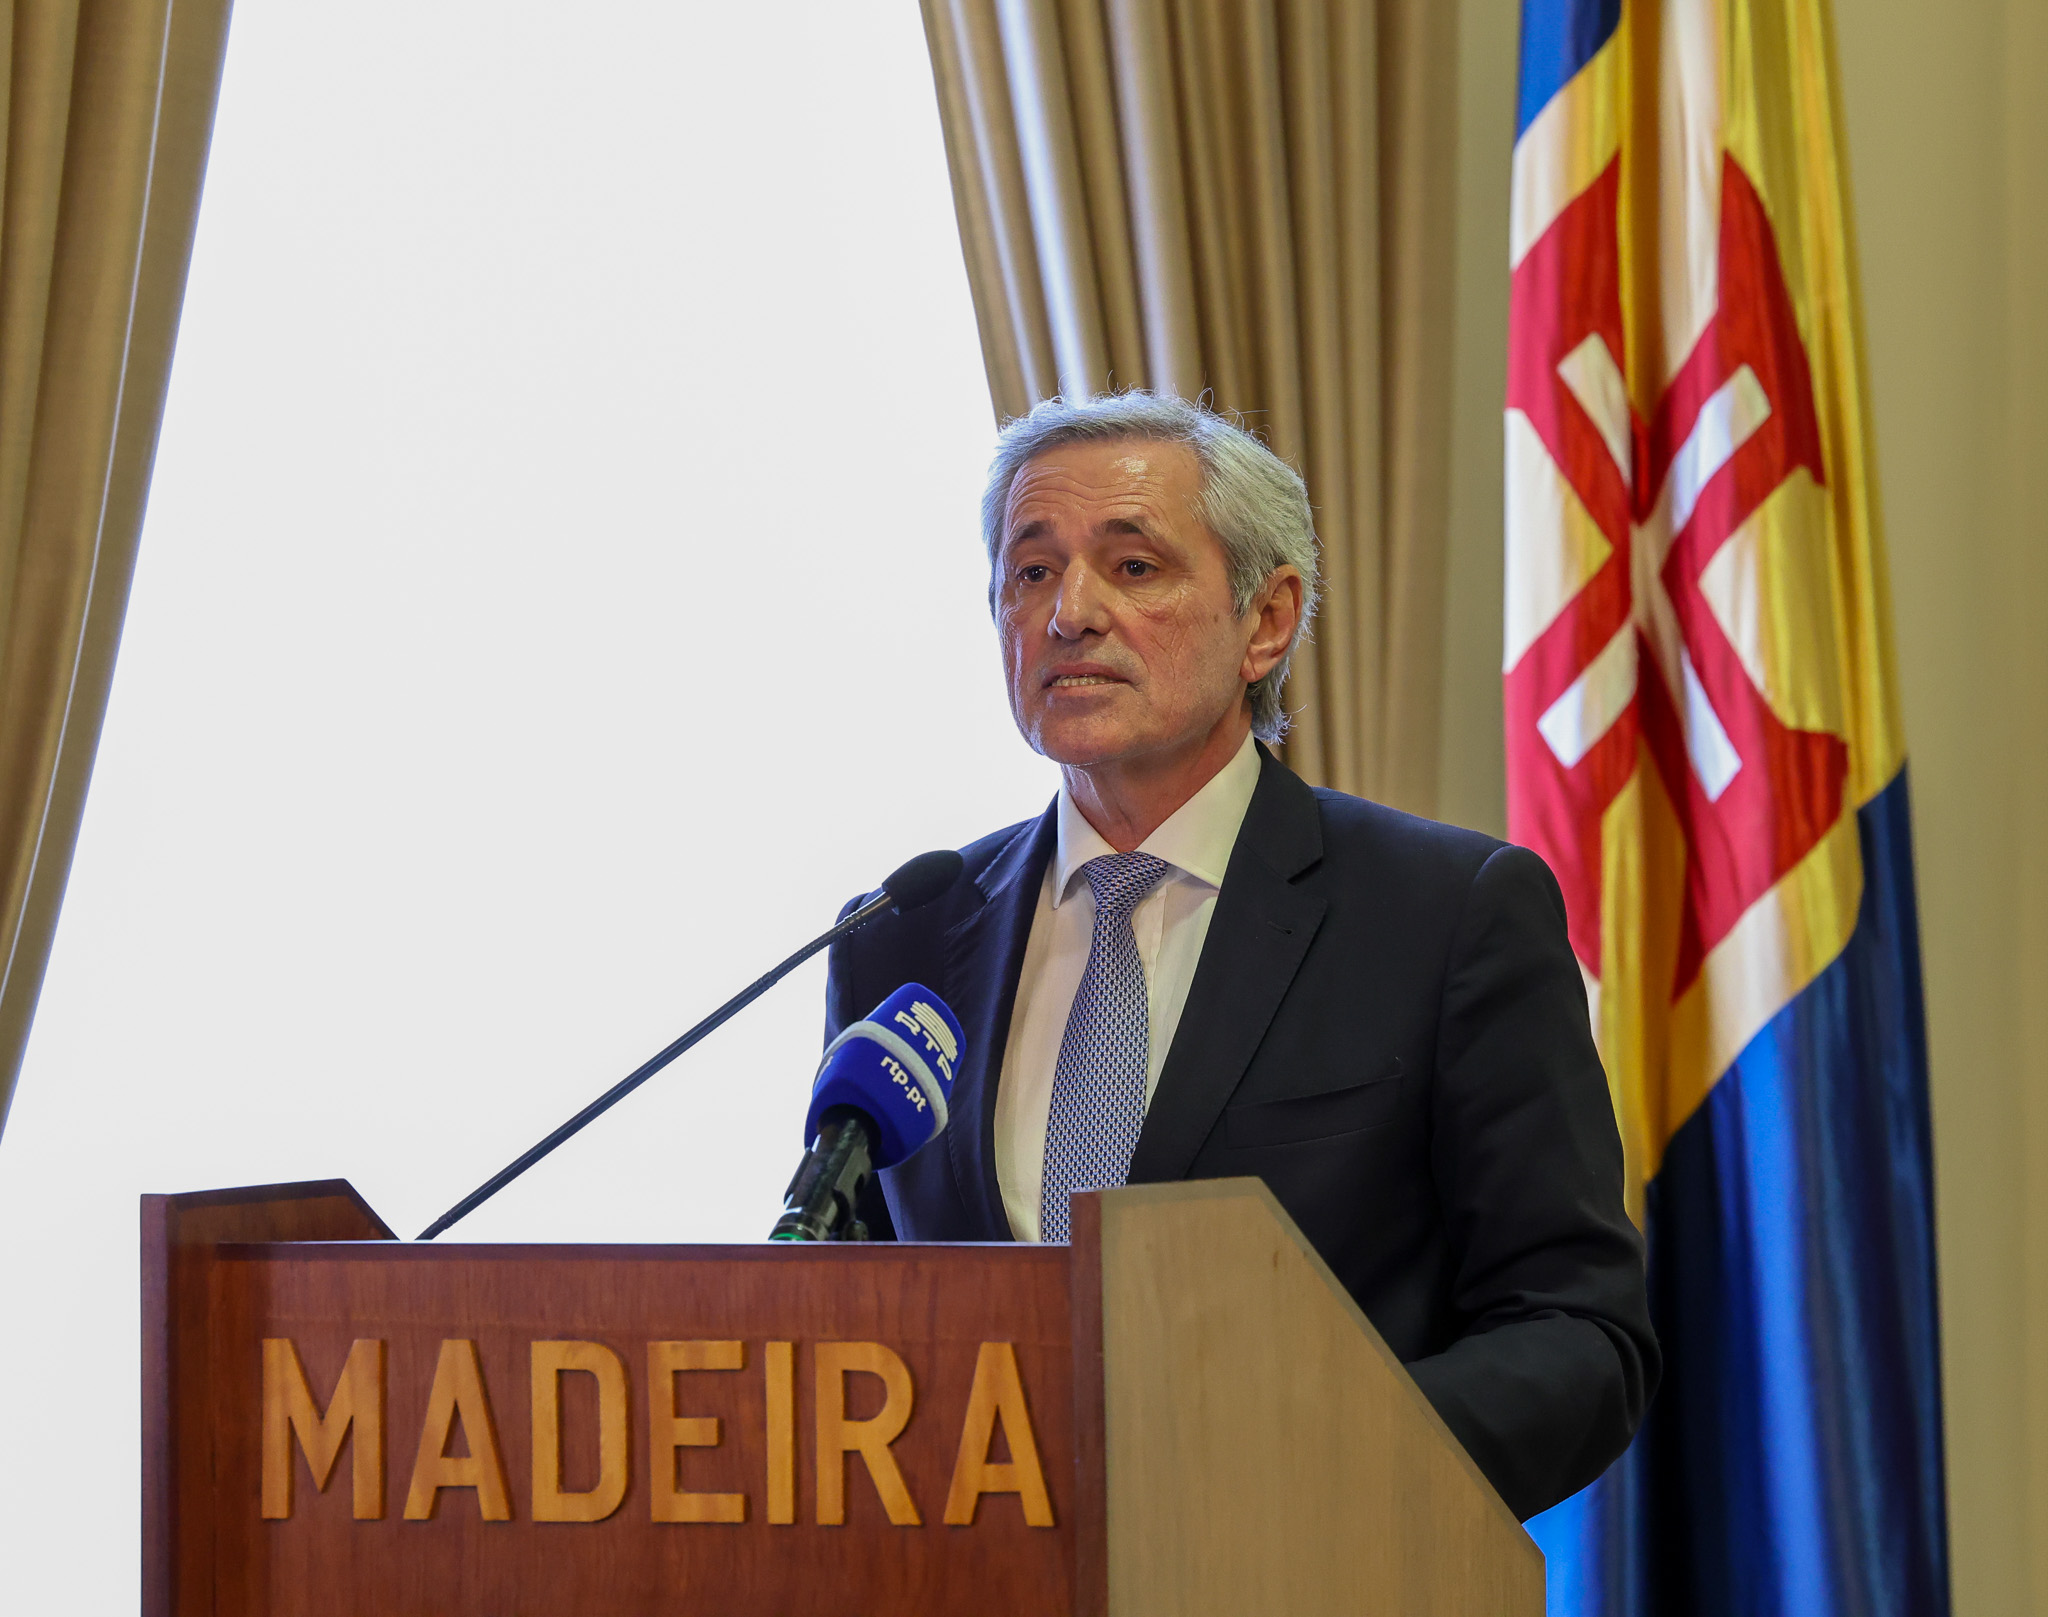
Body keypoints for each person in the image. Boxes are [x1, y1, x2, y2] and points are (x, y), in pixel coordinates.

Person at [824, 391, 1656, 1520]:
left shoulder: (1446, 917)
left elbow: (1578, 1335)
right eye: (1031, 572)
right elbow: (846, 1320)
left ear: (1266, 621)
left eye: (1132, 567)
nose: (1069, 612)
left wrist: (1294, 1466)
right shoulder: (902, 938)